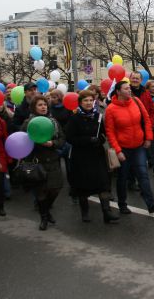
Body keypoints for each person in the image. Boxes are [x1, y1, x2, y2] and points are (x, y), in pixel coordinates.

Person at [104, 81, 154, 214]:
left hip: (138, 146)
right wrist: (118, 151)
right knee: (123, 177)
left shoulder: (136, 101)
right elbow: (110, 132)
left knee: (143, 174)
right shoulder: (111, 109)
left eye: (129, 88)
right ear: (118, 92)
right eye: (126, 89)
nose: (129, 90)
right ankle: (122, 204)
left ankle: (151, 204)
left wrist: (148, 137)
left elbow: (146, 119)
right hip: (123, 148)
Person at [65, 90, 119, 224]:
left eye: (91, 100)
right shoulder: (75, 118)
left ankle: (107, 212)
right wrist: (88, 140)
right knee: (83, 186)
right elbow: (70, 138)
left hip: (97, 155)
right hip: (81, 157)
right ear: (80, 102)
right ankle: (85, 212)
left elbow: (103, 133)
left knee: (103, 184)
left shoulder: (98, 116)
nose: (89, 103)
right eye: (85, 101)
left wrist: (99, 140)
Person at [21, 95, 65, 231]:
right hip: (36, 161)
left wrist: (52, 143)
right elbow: (22, 141)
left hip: (52, 160)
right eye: (40, 105)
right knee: (41, 192)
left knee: (55, 189)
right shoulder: (28, 123)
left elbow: (62, 139)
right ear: (34, 107)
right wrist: (36, 141)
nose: (43, 107)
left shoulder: (54, 122)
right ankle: (44, 217)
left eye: (45, 104)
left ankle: (46, 210)